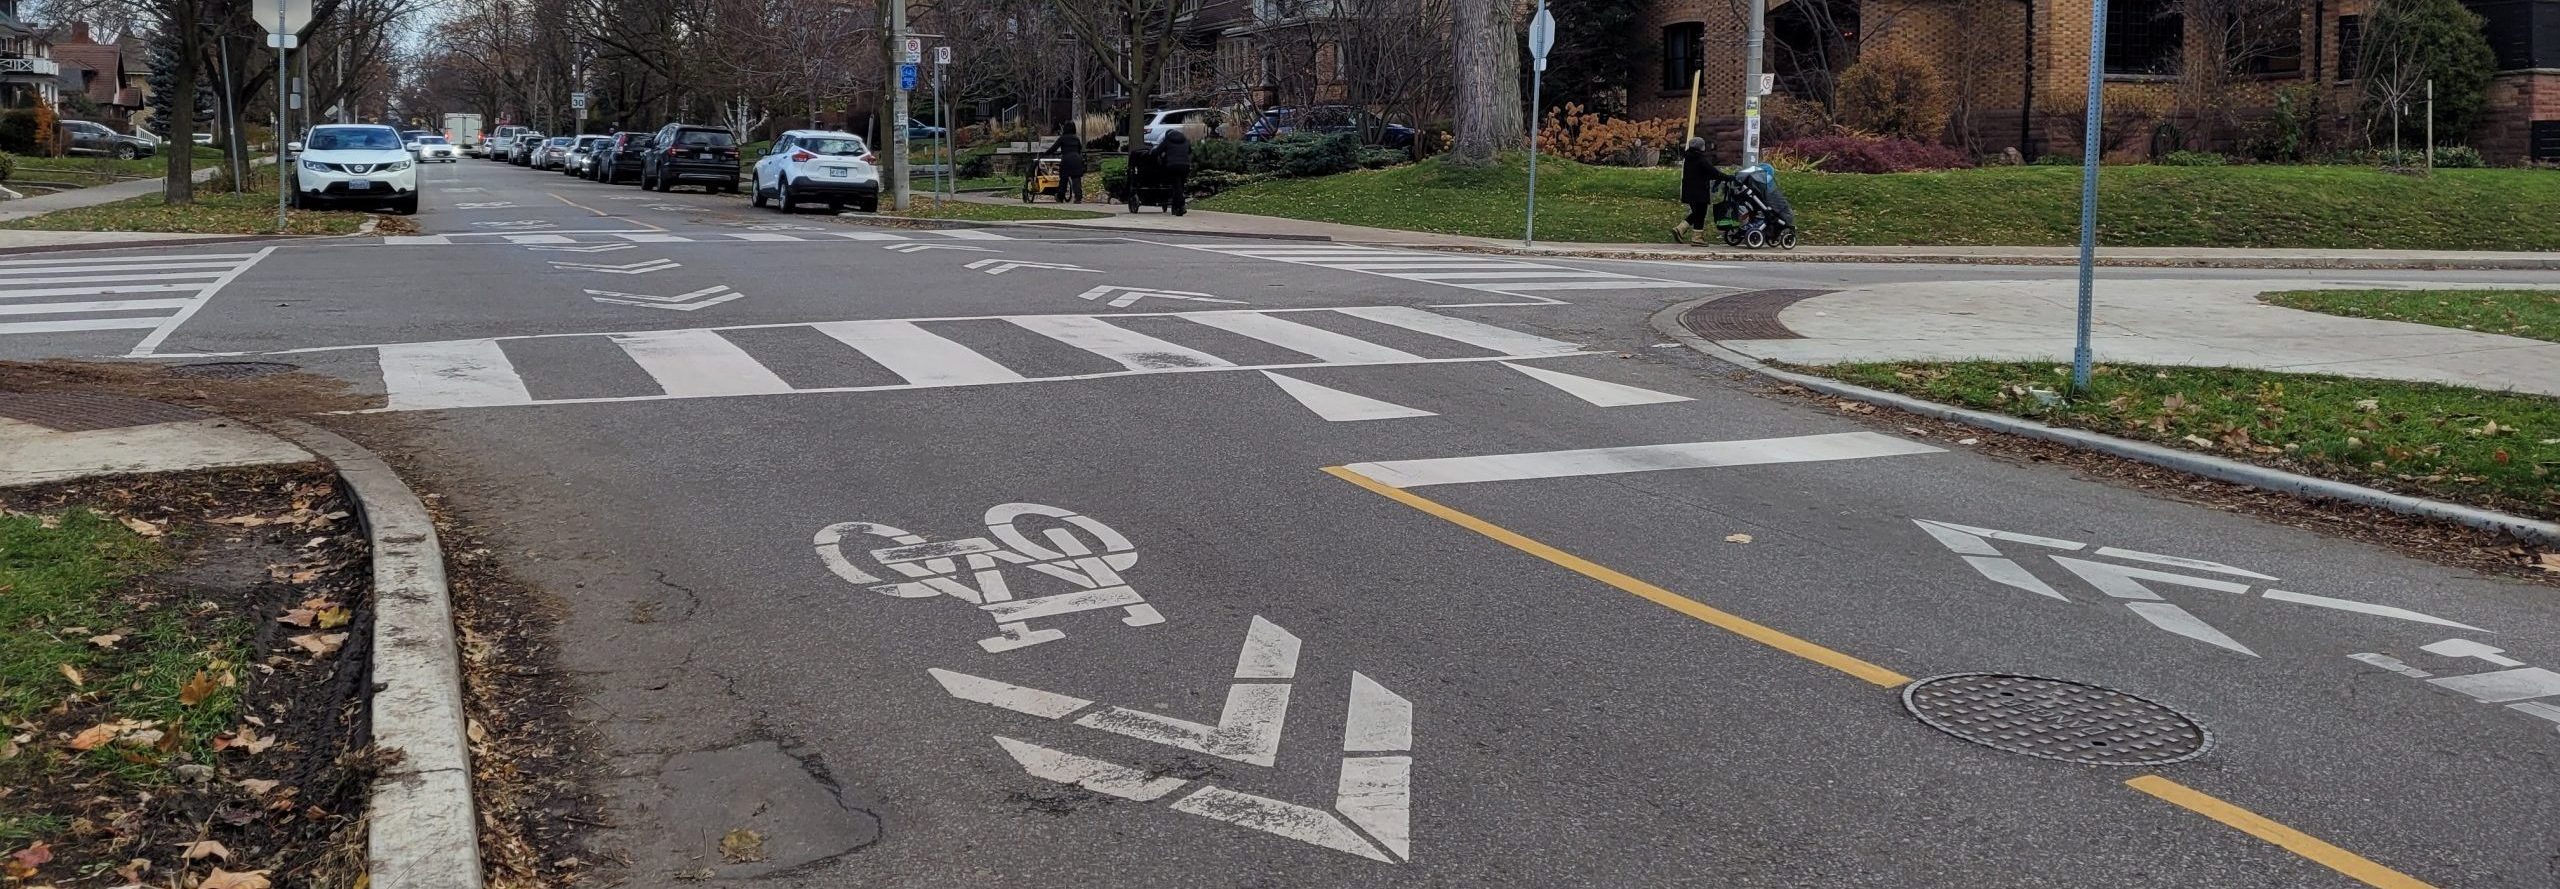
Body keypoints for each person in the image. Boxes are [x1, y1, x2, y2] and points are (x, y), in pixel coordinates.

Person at [1675, 137, 1730, 246]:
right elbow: (1714, 172)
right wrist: (1728, 177)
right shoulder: (1701, 159)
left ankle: (1681, 229)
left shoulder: (1688, 158)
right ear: (1701, 147)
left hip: (1689, 189)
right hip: (1699, 190)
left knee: (1697, 213)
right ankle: (1696, 238)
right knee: (1700, 213)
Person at [1045, 126, 1087, 203]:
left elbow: (1054, 148)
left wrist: (1046, 153)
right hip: (1077, 159)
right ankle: (1078, 197)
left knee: (1064, 178)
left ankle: (1060, 196)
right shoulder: (1076, 138)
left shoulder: (1062, 138)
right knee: (1076, 179)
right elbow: (1079, 149)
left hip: (1066, 159)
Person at [1158, 129, 1194, 216]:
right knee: (1180, 186)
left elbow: (1158, 151)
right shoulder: (1185, 141)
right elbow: (1190, 151)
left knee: (1176, 187)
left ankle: (1181, 205)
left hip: (1173, 166)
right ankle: (1176, 208)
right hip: (1185, 166)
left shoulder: (1167, 140)